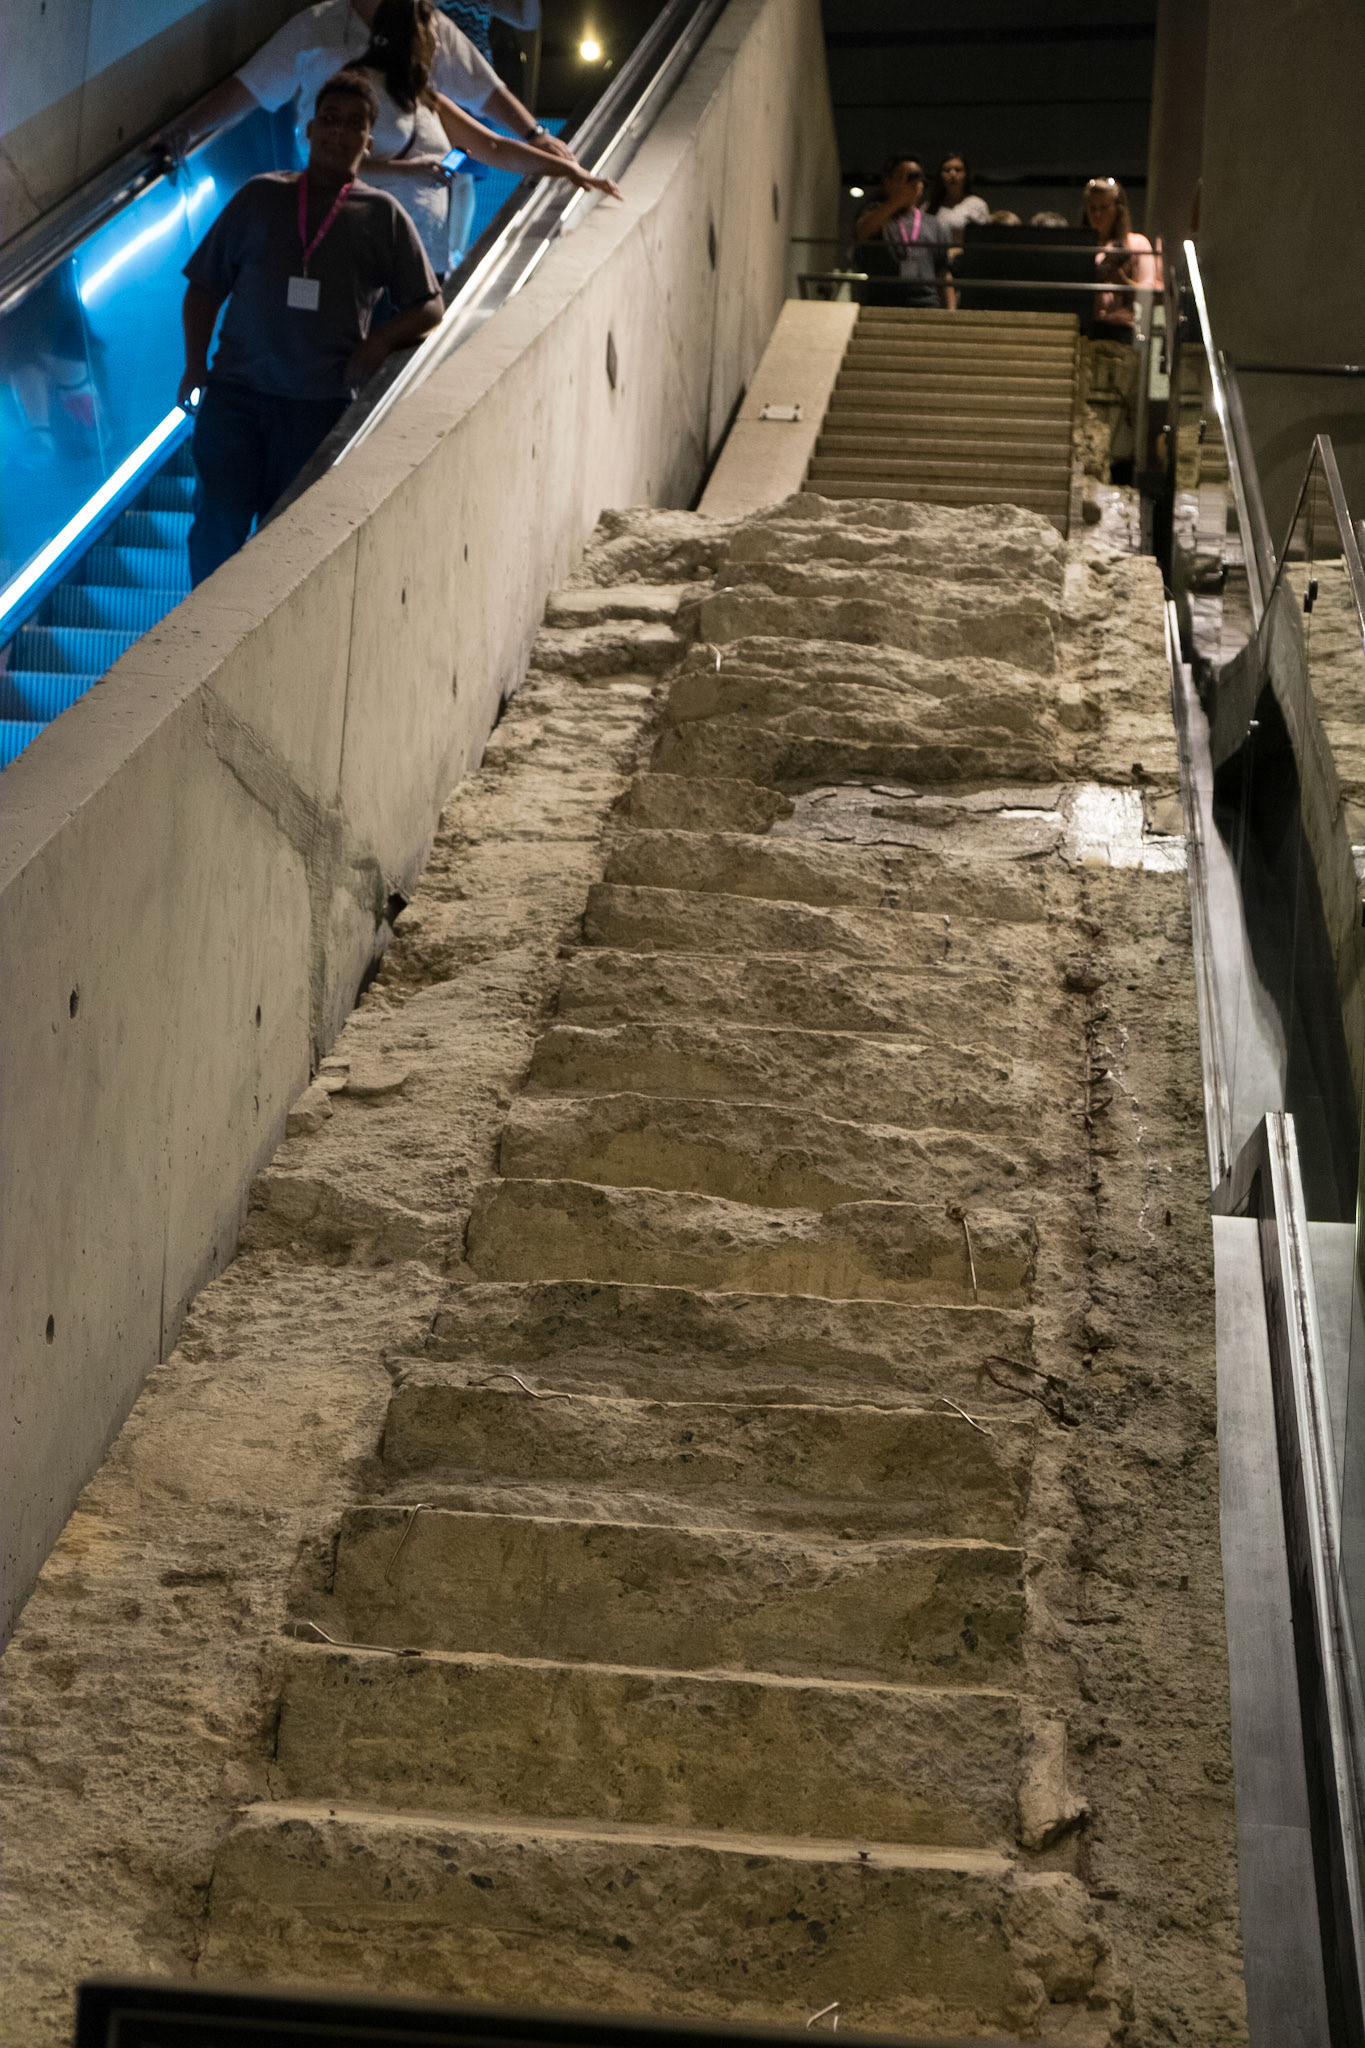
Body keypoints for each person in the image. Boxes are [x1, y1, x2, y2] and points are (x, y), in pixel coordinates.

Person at [178, 69, 443, 586]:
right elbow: (205, 287)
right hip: (236, 396)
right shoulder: (260, 196)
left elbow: (429, 307)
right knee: (217, 524)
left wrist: (379, 343)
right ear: (310, 129)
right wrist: (193, 366)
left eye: (354, 124)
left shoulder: (382, 215)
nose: (339, 131)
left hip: (318, 407)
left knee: (286, 543)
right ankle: (198, 627)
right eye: (330, 119)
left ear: (369, 142)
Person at [151, 0, 576, 272]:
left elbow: (486, 98)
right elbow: (250, 88)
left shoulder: (424, 27)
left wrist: (536, 135)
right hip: (343, 233)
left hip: (419, 245)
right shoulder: (317, 27)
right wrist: (185, 128)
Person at [356, 0, 619, 277]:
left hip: (424, 259)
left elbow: (494, 147)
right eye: (431, 34)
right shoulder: (358, 91)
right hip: (372, 254)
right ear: (405, 35)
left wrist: (568, 169)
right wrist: (409, 171)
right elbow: (337, 169)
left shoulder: (427, 99)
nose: (439, 44)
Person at [855, 155, 950, 308]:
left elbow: (942, 272)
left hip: (926, 303)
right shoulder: (876, 213)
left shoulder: (934, 224)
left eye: (917, 177)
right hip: (882, 303)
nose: (913, 183)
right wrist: (897, 200)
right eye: (903, 177)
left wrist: (950, 311)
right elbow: (862, 232)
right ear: (888, 182)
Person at [1080, 175, 1158, 342]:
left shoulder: (1137, 243)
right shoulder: (1081, 246)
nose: (1097, 215)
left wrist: (1122, 282)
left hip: (1123, 331)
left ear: (1118, 209)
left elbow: (1149, 293)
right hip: (1085, 329)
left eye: (1104, 208)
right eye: (1092, 208)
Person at [926, 153, 988, 238]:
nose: (952, 174)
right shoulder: (928, 207)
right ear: (940, 175)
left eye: (958, 170)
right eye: (947, 170)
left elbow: (984, 239)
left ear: (965, 174)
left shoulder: (977, 205)